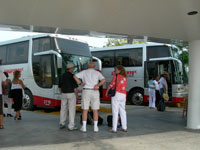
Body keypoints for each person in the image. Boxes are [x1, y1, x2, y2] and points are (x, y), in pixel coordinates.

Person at [74, 61, 106, 133]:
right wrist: (97, 85)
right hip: (95, 91)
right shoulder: (97, 73)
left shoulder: (84, 72)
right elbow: (103, 80)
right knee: (95, 110)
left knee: (85, 109)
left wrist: (81, 83)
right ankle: (95, 127)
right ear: (94, 66)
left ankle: (84, 127)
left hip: (86, 91)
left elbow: (75, 76)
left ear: (88, 66)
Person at [106, 65, 127, 133]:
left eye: (116, 70)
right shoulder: (124, 77)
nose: (114, 71)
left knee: (115, 111)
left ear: (119, 70)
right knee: (122, 111)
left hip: (117, 94)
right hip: (123, 94)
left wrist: (107, 92)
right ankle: (124, 127)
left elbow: (111, 84)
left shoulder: (117, 76)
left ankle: (114, 128)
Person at [58, 63, 78, 130]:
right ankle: (71, 126)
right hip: (71, 94)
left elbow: (59, 87)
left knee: (63, 109)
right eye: (73, 68)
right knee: (71, 110)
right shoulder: (72, 76)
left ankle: (62, 123)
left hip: (63, 94)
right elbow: (75, 88)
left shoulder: (62, 76)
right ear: (71, 68)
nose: (73, 69)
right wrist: (76, 95)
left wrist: (62, 93)